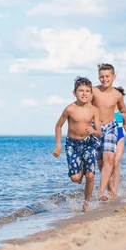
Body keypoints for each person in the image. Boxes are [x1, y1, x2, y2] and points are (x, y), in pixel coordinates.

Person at [52, 77, 101, 212]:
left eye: (87, 91)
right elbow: (58, 125)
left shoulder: (94, 110)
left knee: (90, 176)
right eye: (80, 90)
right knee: (75, 178)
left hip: (88, 143)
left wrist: (94, 131)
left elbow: (99, 133)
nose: (84, 93)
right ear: (74, 93)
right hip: (72, 145)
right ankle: (81, 172)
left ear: (91, 94)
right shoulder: (70, 109)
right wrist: (58, 145)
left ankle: (86, 202)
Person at [91, 63, 126, 201]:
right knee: (101, 163)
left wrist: (125, 116)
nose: (104, 79)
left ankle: (101, 192)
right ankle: (108, 187)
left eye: (107, 76)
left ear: (114, 77)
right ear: (98, 77)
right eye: (101, 77)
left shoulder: (117, 95)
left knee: (110, 158)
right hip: (95, 128)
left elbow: (125, 111)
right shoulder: (93, 91)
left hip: (111, 127)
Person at [110, 87, 126, 194]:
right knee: (109, 163)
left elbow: (125, 124)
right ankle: (110, 187)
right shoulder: (106, 109)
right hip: (108, 137)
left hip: (120, 136)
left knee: (116, 162)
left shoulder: (122, 111)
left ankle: (114, 189)